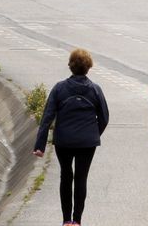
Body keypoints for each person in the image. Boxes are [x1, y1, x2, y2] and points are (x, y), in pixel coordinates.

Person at [33, 48, 110, 226]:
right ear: (89, 67)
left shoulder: (59, 88)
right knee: (81, 178)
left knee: (66, 176)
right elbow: (104, 117)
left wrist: (40, 145)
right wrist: (93, 133)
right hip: (87, 142)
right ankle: (77, 221)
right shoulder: (95, 89)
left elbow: (47, 118)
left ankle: (66, 220)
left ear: (70, 66)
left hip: (64, 141)